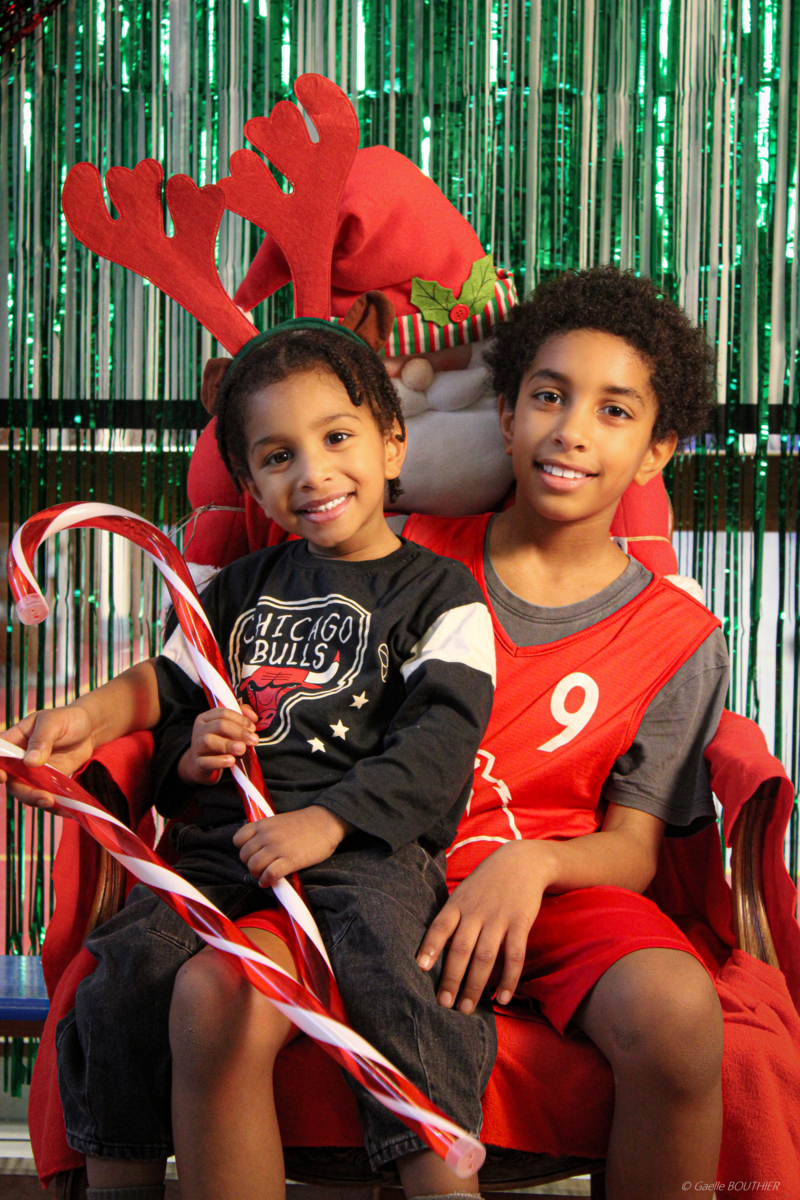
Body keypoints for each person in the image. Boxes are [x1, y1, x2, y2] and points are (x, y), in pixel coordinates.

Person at [0, 322, 497, 1200]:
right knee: (122, 974)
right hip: (222, 850)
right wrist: (129, 732)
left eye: (336, 437)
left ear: (392, 443)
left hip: (367, 854)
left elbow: (440, 744)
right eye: (278, 456)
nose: (312, 473)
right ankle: (117, 1178)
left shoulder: (442, 594)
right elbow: (164, 687)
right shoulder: (233, 591)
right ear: (251, 482)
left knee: (395, 971)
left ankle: (436, 1163)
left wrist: (328, 822)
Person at [400, 266, 728, 1200]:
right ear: (506, 416)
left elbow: (633, 847)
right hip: (387, 872)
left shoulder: (678, 637)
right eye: (549, 396)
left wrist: (533, 864)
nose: (573, 430)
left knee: (676, 1009)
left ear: (657, 451)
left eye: (614, 411)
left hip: (552, 888)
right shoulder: (401, 559)